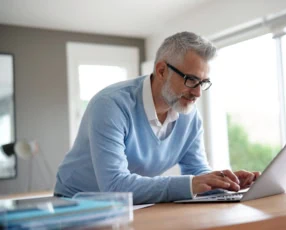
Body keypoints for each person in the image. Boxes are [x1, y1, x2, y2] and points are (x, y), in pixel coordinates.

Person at [54, 31, 260, 204]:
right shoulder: (111, 105)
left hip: (133, 205)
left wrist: (226, 185)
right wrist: (191, 184)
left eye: (203, 82)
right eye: (191, 80)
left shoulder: (189, 115)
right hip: (77, 203)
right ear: (161, 71)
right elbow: (115, 185)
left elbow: (197, 171)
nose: (197, 93)